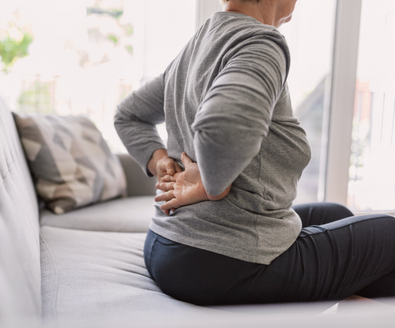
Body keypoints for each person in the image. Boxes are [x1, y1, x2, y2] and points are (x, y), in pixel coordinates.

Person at [114, 0, 395, 306]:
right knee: (390, 233)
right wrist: (212, 185)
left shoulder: (201, 41)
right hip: (223, 260)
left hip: (166, 245)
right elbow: (221, 124)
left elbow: (127, 115)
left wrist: (161, 162)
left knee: (334, 214)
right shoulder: (260, 42)